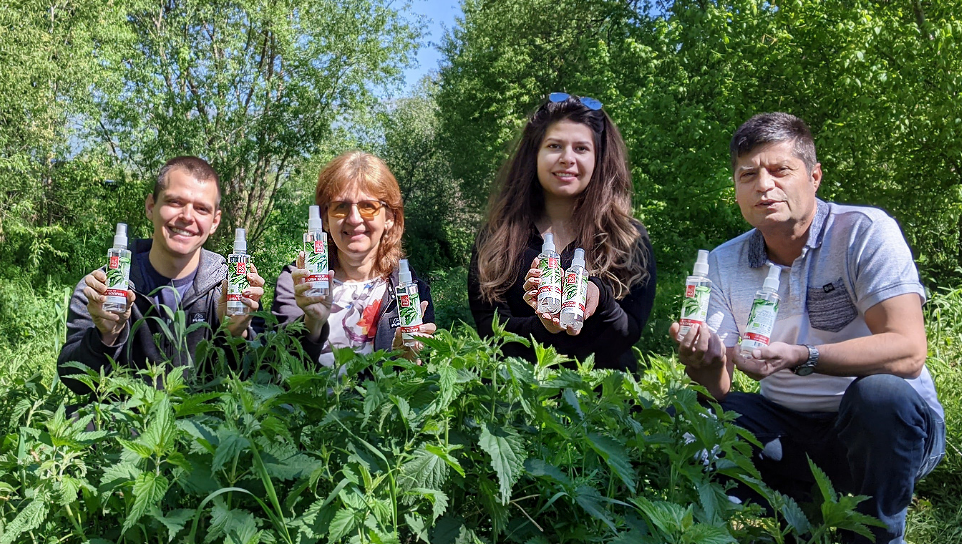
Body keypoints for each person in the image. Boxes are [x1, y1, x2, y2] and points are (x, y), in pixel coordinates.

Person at [671, 113, 947, 544]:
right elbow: (723, 384)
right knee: (694, 416)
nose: (764, 186)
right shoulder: (728, 261)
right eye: (748, 175)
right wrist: (704, 362)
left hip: (879, 428)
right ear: (735, 187)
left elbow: (908, 349)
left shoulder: (862, 231)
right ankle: (752, 530)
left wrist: (805, 357)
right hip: (792, 429)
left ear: (814, 176)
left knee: (880, 395)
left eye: (780, 171)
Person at [468, 92, 656, 371]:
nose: (567, 158)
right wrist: (545, 327)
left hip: (601, 402)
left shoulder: (628, 239)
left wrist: (600, 298)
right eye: (555, 146)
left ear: (599, 159)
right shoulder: (497, 238)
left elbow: (628, 334)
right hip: (518, 400)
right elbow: (491, 330)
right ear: (535, 154)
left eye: (581, 148)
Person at [58, 156, 265, 394]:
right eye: (175, 202)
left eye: (201, 208)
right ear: (150, 206)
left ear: (215, 221)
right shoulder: (102, 290)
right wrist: (105, 335)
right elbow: (74, 381)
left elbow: (259, 381)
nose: (187, 216)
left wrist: (237, 334)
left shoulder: (235, 291)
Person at [262, 151, 435, 367]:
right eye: (341, 206)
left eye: (368, 206)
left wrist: (407, 360)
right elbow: (278, 367)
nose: (354, 218)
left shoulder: (411, 291)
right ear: (325, 220)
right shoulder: (296, 282)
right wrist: (312, 323)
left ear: (389, 217)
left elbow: (421, 383)